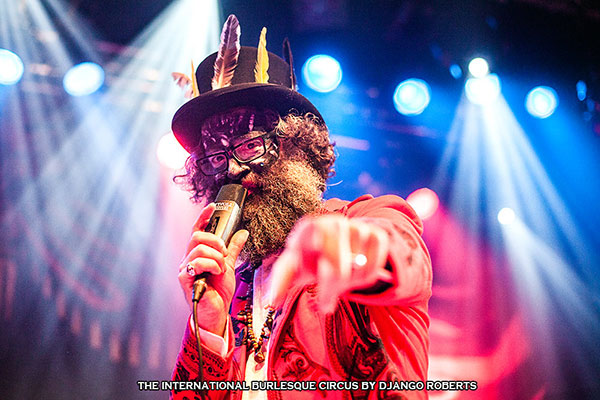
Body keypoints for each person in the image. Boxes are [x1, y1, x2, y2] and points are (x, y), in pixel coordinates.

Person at [169, 15, 432, 400]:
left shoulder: (366, 220)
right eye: (216, 157)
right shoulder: (233, 287)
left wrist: (353, 248)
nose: (233, 170)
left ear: (295, 146)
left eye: (248, 146)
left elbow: (401, 255)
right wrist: (207, 327)